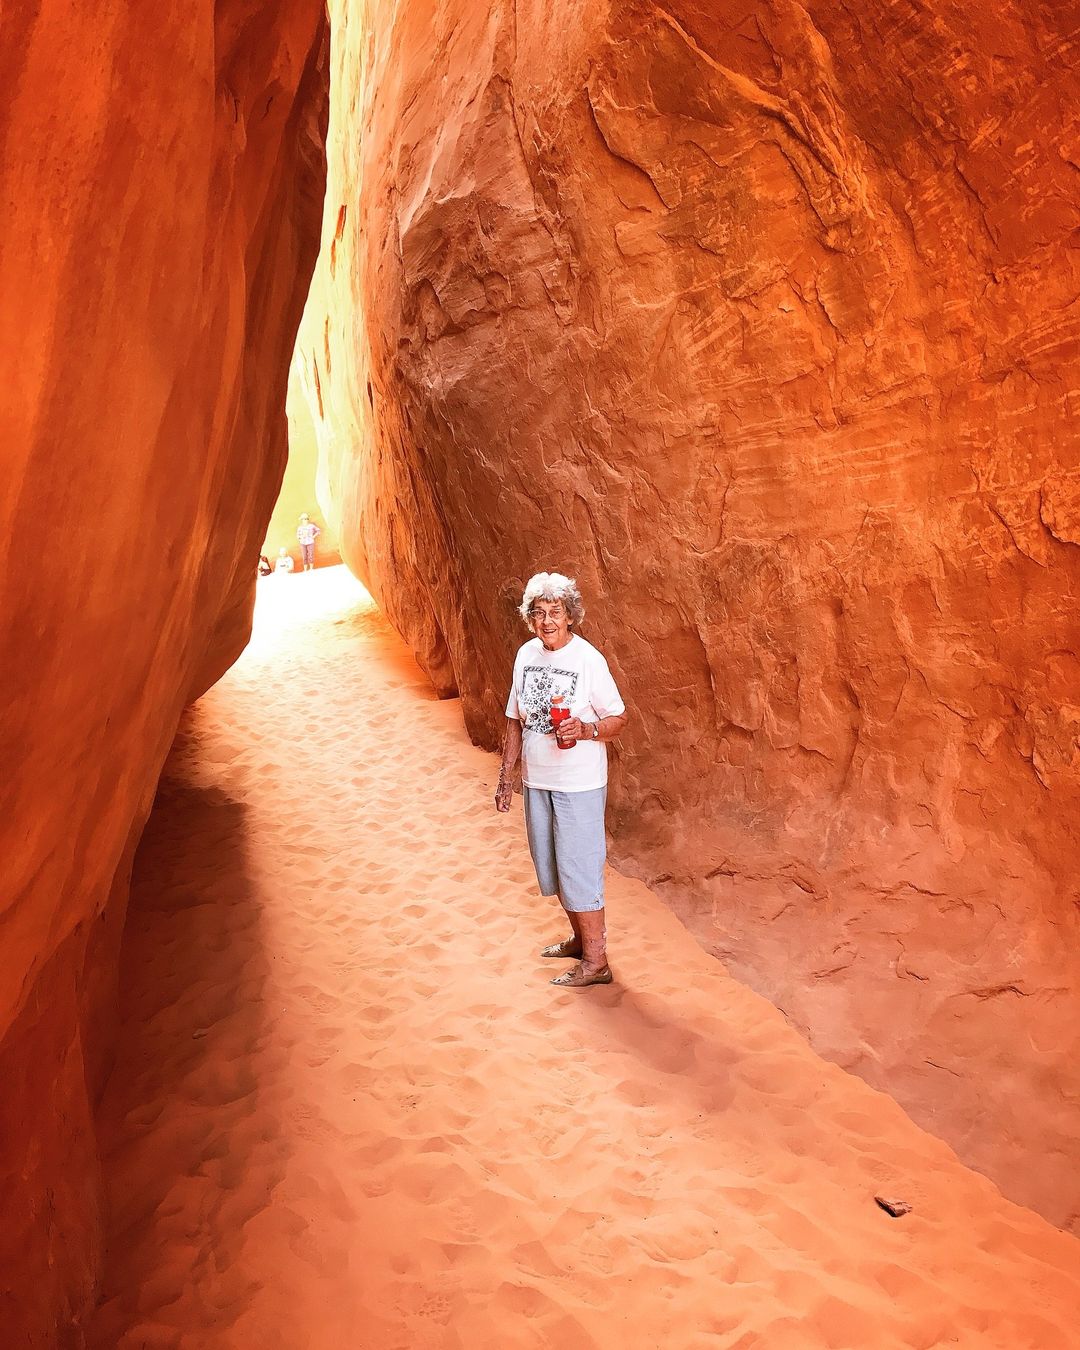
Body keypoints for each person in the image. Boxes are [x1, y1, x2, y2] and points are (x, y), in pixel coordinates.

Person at [496, 572, 628, 987]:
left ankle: (596, 963)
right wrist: (506, 777)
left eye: (555, 612)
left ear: (570, 616)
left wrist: (587, 730)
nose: (547, 621)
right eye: (538, 613)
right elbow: (514, 720)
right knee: (553, 866)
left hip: (579, 784)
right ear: (529, 618)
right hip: (539, 781)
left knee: (579, 869)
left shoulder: (588, 659)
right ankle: (580, 939)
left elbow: (619, 719)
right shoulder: (525, 655)